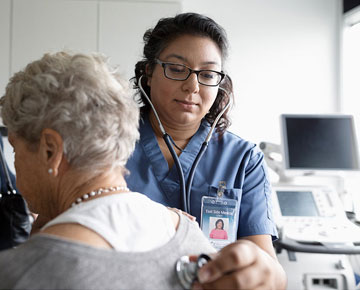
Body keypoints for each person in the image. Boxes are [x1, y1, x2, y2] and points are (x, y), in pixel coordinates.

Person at [0, 51, 216, 289]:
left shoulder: (22, 272)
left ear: (50, 151)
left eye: (15, 149)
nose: (16, 165)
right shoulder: (191, 240)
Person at [126, 12, 287, 289]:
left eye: (208, 74)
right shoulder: (107, 145)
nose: (192, 86)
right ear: (148, 73)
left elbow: (268, 266)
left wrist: (267, 277)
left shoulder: (243, 160)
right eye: (176, 69)